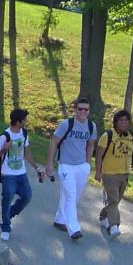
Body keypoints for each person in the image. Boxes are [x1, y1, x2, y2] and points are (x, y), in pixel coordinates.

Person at [41, 98, 96, 241]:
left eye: (86, 109)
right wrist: (50, 164)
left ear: (89, 111)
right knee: (71, 195)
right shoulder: (67, 124)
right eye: (80, 109)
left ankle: (60, 220)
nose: (83, 112)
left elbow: (91, 144)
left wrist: (87, 163)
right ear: (75, 110)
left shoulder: (91, 126)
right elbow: (54, 142)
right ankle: (74, 229)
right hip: (66, 165)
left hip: (82, 166)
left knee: (74, 196)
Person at [93, 108, 133, 238]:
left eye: (126, 120)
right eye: (121, 120)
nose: (124, 123)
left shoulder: (132, 136)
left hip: (125, 174)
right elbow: (99, 155)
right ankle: (114, 226)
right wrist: (98, 172)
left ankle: (103, 216)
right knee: (113, 199)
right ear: (115, 122)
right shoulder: (108, 136)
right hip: (109, 173)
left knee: (115, 201)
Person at [0, 107, 32, 241]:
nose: (26, 121)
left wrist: (37, 167)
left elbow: (26, 152)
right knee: (7, 199)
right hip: (8, 174)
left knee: (27, 197)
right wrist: (4, 149)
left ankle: (8, 215)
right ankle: (6, 227)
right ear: (18, 121)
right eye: (25, 119)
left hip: (21, 172)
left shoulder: (24, 133)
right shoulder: (5, 136)